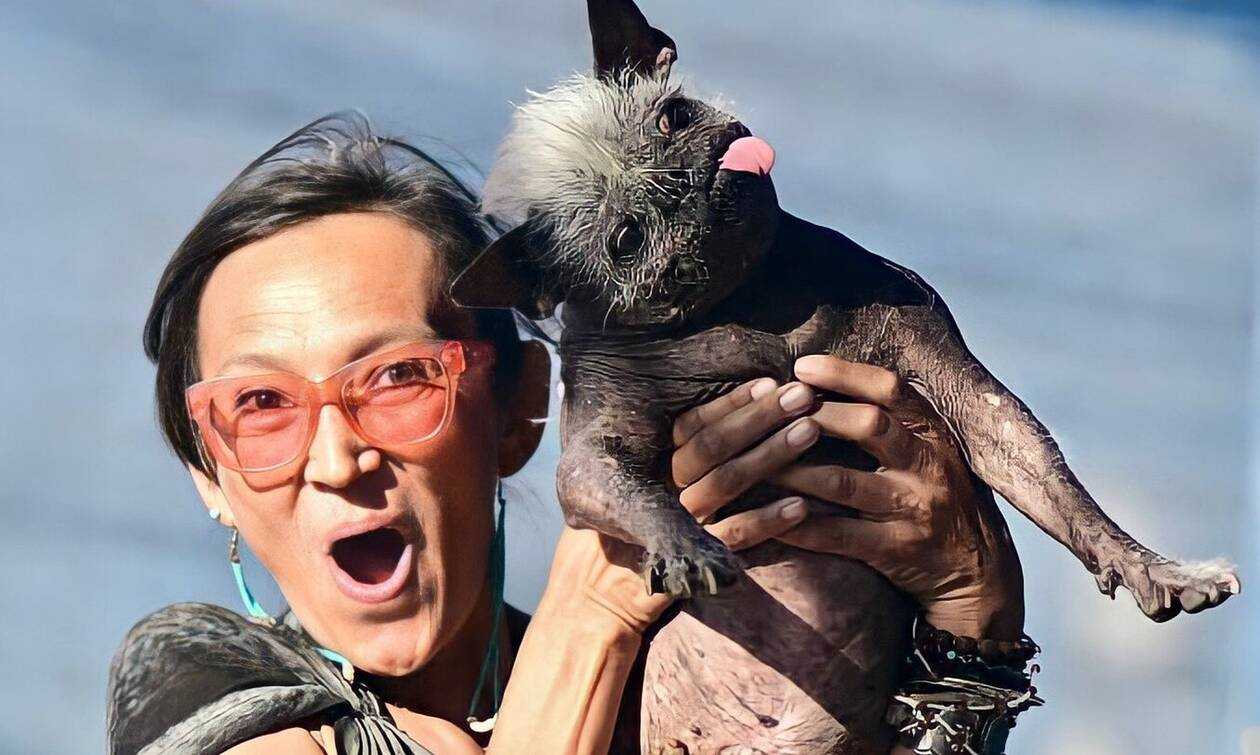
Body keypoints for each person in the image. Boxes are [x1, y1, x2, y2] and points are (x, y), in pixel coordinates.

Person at [107, 113, 1025, 754]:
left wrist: (968, 618)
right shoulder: (198, 681)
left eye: (397, 378)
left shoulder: (691, 670)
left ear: (520, 410)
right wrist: (596, 604)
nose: (338, 458)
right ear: (208, 474)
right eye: (260, 403)